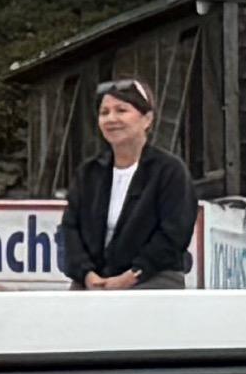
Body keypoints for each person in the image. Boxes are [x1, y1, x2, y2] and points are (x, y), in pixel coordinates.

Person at [60, 77, 197, 291]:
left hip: (151, 277)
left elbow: (174, 235)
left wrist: (132, 275)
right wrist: (86, 274)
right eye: (104, 113)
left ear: (147, 119)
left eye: (121, 110)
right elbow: (70, 229)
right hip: (94, 281)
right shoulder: (88, 173)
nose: (111, 119)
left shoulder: (170, 171)